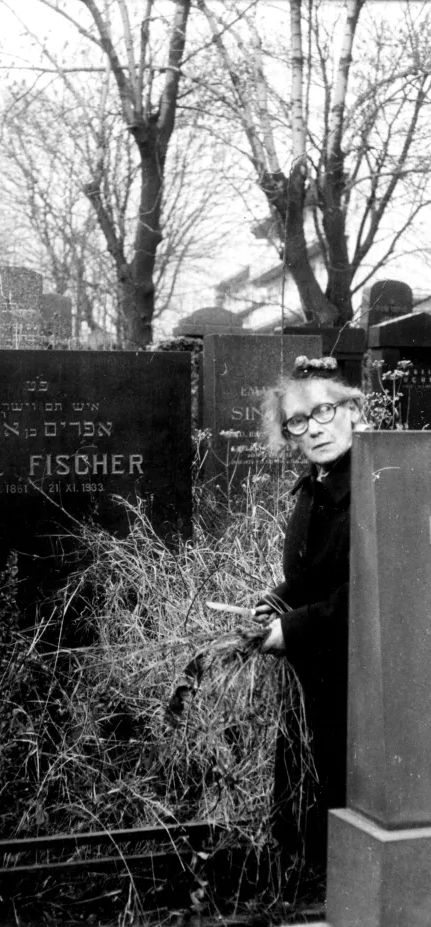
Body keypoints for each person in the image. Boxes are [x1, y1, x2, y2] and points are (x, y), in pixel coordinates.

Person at [255, 355, 364, 871]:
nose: (314, 429)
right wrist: (278, 600)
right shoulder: (316, 485)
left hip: (357, 681)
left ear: (352, 410)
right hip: (315, 671)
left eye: (324, 411)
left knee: (340, 794)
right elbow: (314, 575)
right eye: (298, 421)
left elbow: (369, 593)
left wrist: (294, 627)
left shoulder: (375, 482)